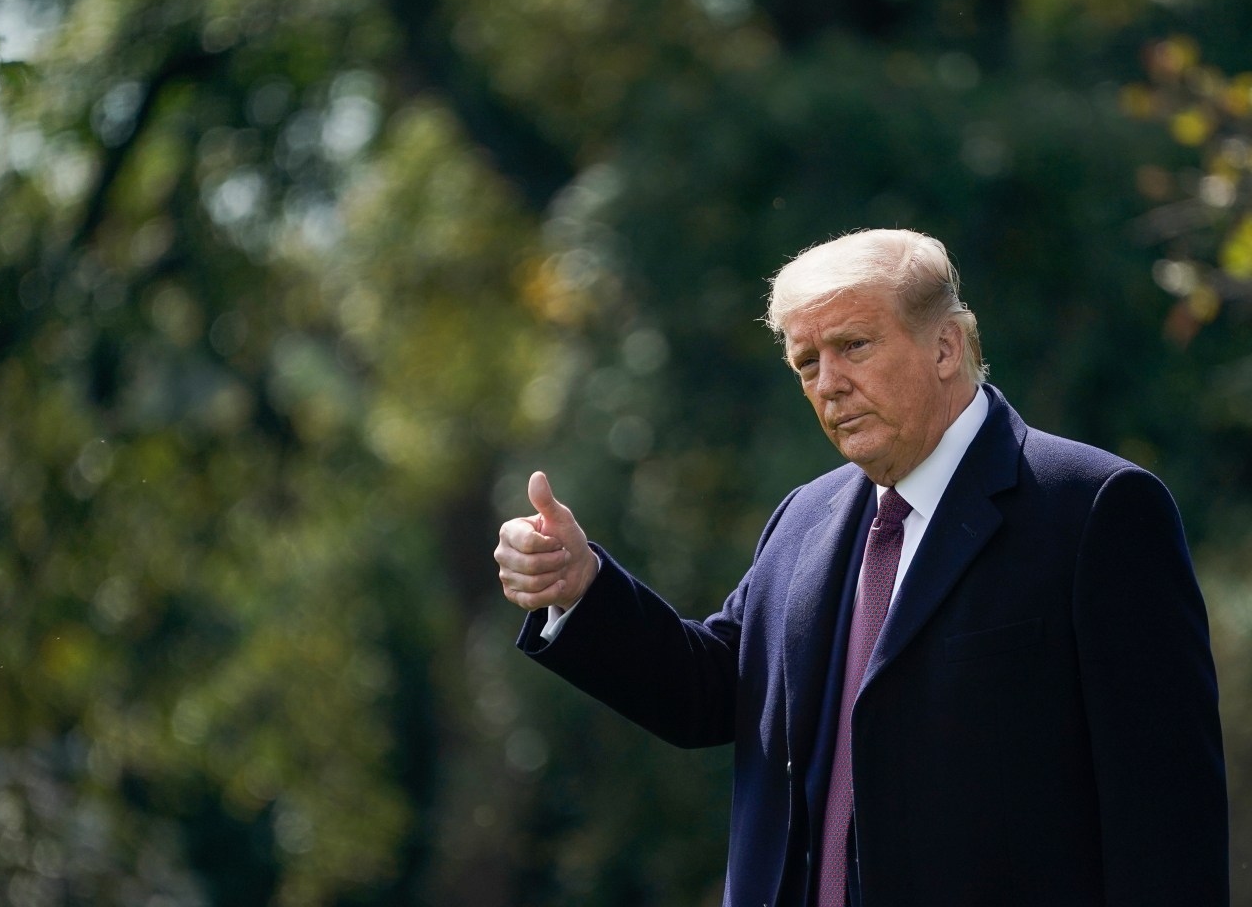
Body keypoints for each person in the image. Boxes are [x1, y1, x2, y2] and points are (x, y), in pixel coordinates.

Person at [493, 229, 1228, 907]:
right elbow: (715, 692)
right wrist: (582, 590)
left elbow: (1166, 814)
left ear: (946, 348)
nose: (827, 382)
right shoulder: (803, 519)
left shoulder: (1095, 509)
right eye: (807, 362)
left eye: (853, 346)